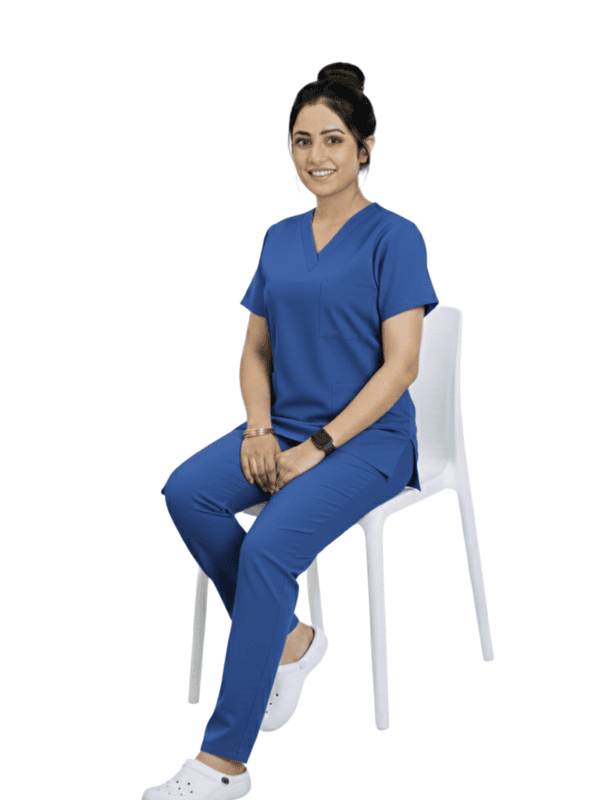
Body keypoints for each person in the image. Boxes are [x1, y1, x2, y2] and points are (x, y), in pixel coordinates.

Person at [142, 61, 439, 800]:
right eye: (302, 141)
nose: (317, 156)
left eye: (333, 139)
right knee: (187, 493)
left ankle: (223, 764)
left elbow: (402, 366)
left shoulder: (396, 237)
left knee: (270, 546)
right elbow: (256, 351)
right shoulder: (278, 238)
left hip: (369, 443)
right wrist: (259, 429)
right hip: (284, 426)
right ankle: (290, 639)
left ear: (365, 147)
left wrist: (317, 448)